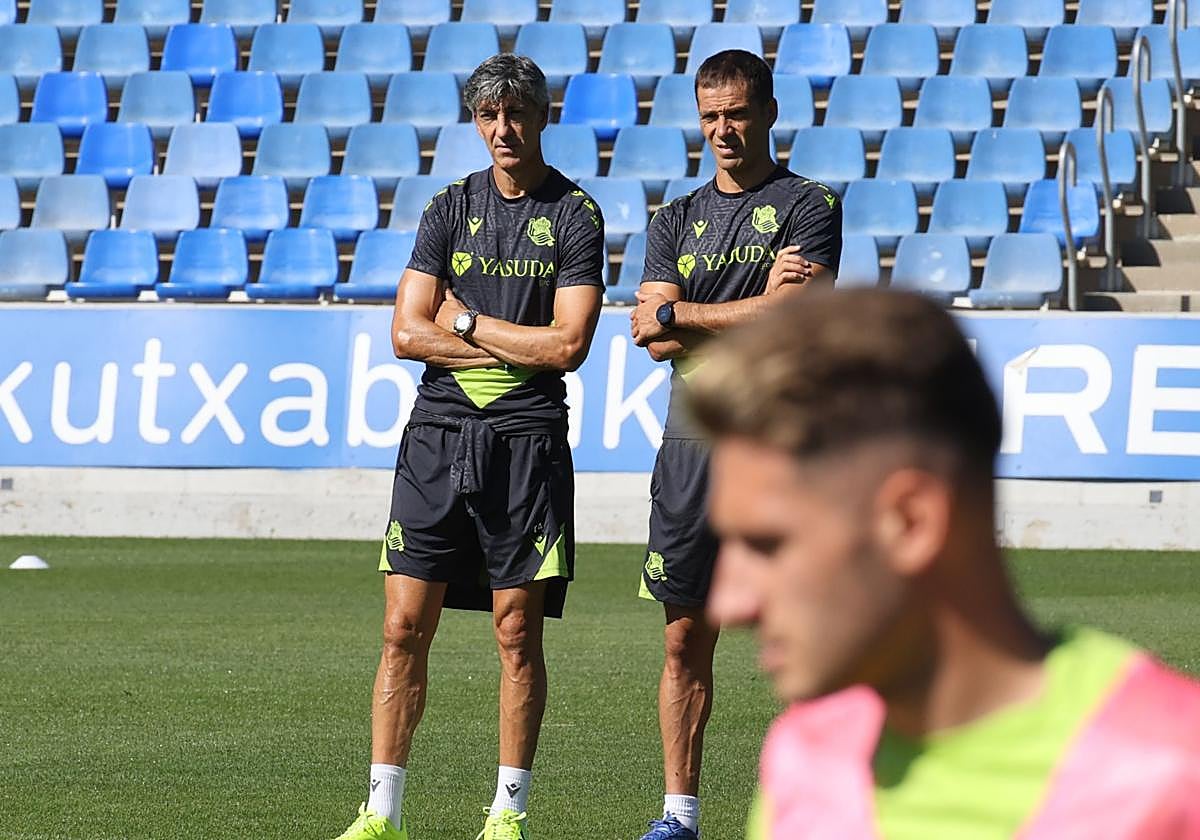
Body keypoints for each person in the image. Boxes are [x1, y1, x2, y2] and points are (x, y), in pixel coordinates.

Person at [690, 289, 1200, 839]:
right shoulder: (805, 755)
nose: (728, 603)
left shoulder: (1171, 773)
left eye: (768, 545)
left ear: (912, 523)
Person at [329, 54, 606, 840]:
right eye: (488, 116)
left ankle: (506, 813)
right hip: (436, 437)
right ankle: (381, 813)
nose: (502, 129)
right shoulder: (449, 208)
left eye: (515, 114)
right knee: (401, 628)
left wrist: (465, 323)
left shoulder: (576, 215)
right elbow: (401, 332)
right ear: (475, 122)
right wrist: (511, 343)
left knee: (517, 634)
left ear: (541, 116)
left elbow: (568, 347)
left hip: (526, 445)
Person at [628, 50, 842, 840]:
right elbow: (651, 338)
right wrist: (750, 304)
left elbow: (792, 316)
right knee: (685, 635)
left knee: (805, 629)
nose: (723, 129)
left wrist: (685, 314)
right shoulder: (672, 218)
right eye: (711, 115)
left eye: (738, 113)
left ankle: (827, 810)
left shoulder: (810, 203)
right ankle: (678, 818)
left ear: (769, 112)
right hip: (689, 440)